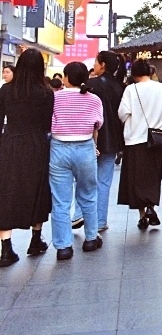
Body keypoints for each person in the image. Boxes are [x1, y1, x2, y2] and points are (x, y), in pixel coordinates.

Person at [0, 49, 54, 267]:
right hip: (36, 145)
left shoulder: (6, 90)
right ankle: (35, 239)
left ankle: (6, 249)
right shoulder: (46, 92)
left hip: (10, 143)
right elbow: (47, 124)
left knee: (7, 191)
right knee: (37, 190)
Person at [49, 62, 105, 260]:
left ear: (65, 77)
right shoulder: (94, 100)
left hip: (59, 149)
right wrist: (94, 148)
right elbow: (96, 127)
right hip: (85, 147)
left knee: (60, 200)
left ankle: (63, 246)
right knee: (88, 194)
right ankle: (91, 238)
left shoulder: (54, 97)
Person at [73, 51, 126, 234]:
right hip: (113, 141)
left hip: (89, 138)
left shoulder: (89, 84)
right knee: (104, 182)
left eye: (96, 61)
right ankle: (101, 220)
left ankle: (79, 214)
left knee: (84, 179)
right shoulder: (121, 86)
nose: (94, 64)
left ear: (102, 64)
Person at [118, 59, 162, 230]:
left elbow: (122, 113)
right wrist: (157, 121)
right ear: (149, 72)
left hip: (134, 140)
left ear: (134, 73)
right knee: (153, 176)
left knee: (136, 178)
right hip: (155, 140)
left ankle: (142, 216)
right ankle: (151, 206)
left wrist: (133, 123)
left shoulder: (130, 89)